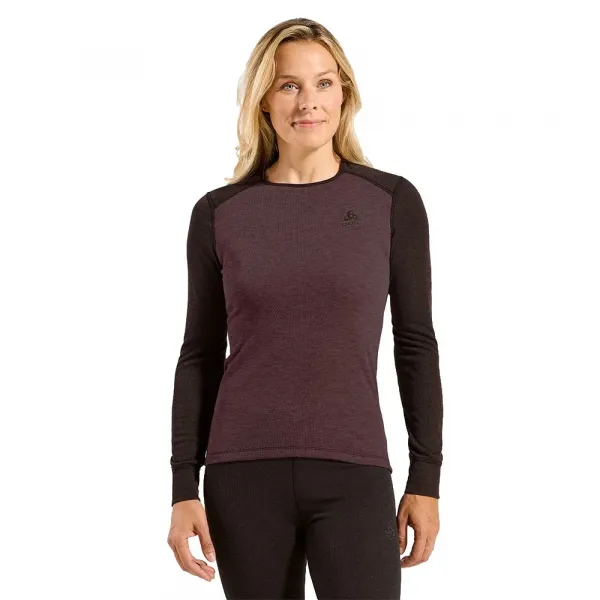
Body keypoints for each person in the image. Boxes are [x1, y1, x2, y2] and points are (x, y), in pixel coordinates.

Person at [167, 17, 444, 599]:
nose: (308, 101)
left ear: (345, 95)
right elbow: (199, 356)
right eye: (289, 85)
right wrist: (182, 486)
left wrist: (426, 477)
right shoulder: (219, 213)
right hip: (243, 475)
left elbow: (415, 344)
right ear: (263, 100)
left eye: (323, 83)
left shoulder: (390, 202)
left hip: (354, 471)